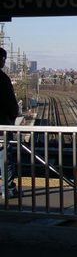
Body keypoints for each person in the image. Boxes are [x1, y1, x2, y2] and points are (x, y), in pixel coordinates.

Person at [0, 47, 19, 198]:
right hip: (2, 125)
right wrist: (12, 118)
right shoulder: (2, 79)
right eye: (3, 59)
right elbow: (11, 104)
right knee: (5, 157)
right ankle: (8, 189)